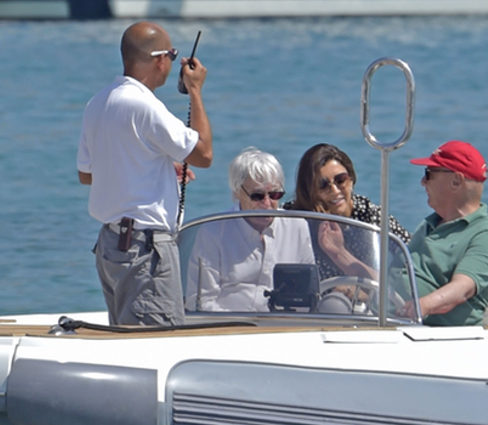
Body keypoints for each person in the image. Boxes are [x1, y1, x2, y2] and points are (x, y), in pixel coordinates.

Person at [76, 21, 213, 326]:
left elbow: (87, 175)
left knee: (128, 343)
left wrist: (156, 166)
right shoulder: (146, 106)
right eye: (173, 54)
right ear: (160, 59)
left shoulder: (98, 103)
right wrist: (195, 91)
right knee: (156, 343)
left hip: (112, 245)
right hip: (144, 249)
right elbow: (203, 154)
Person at [185, 147, 315, 312]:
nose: (267, 204)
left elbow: (307, 295)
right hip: (229, 328)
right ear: (237, 192)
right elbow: (201, 302)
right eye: (257, 196)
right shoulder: (213, 232)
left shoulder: (297, 227)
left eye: (275, 195)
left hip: (285, 326)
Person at [404, 140, 488, 326]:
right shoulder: (428, 224)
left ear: (456, 181)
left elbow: (461, 289)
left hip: (438, 336)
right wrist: (343, 257)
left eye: (429, 174)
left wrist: (422, 306)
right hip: (398, 322)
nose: (422, 182)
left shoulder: (486, 234)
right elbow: (394, 278)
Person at [283, 143, 410, 282]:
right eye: (323, 185)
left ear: (351, 179)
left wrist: (339, 253)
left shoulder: (369, 214)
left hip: (364, 299)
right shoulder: (294, 217)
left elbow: (411, 258)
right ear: (309, 191)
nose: (335, 190)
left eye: (340, 180)